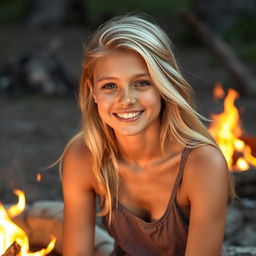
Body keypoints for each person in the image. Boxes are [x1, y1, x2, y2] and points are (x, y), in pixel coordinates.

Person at [60, 14, 236, 256]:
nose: (126, 100)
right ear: (93, 92)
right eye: (110, 86)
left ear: (164, 86)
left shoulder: (202, 164)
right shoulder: (83, 157)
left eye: (142, 83)